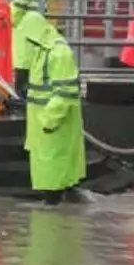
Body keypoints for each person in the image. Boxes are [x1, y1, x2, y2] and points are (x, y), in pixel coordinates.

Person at [23, 17, 87, 205]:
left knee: (54, 179)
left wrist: (49, 121)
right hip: (43, 127)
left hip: (52, 127)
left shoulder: (58, 53)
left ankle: (53, 211)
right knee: (52, 177)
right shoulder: (41, 50)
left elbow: (65, 92)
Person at [10, 0, 55, 99]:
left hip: (26, 23)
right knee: (24, 61)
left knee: (25, 60)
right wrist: (14, 18)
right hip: (26, 24)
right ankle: (22, 96)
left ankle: (23, 94)